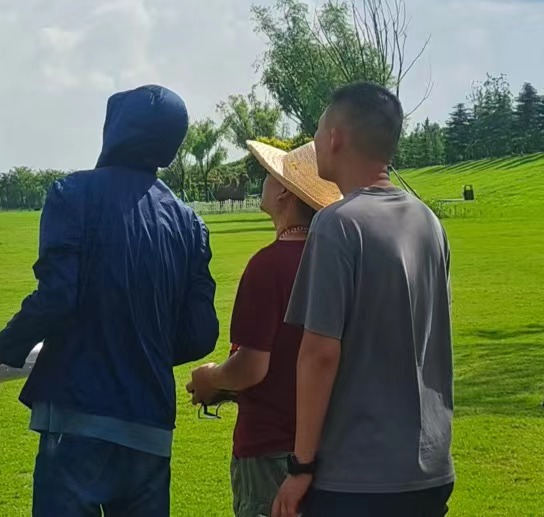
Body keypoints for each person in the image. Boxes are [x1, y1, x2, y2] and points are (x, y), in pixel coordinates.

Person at [0, 84, 219, 516]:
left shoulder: (72, 194)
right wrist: (141, 347)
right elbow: (200, 335)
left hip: (77, 418)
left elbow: (57, 298)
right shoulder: (190, 224)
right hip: (151, 429)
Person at [271, 82, 455, 517]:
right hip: (429, 468)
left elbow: (319, 354)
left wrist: (301, 465)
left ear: (335, 137)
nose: (315, 141)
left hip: (358, 478)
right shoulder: (428, 221)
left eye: (318, 130)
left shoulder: (337, 224)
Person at [186, 140, 342, 517]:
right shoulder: (338, 261)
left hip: (271, 450)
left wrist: (210, 379)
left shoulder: (268, 266)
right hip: (332, 449)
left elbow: (252, 368)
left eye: (270, 175)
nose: (264, 182)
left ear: (285, 192)